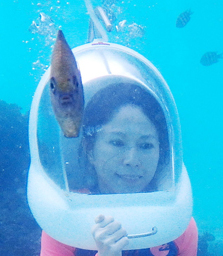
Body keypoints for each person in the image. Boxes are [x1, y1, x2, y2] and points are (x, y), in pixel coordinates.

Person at [40, 83, 198, 256]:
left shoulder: (178, 225)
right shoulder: (64, 221)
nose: (132, 160)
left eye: (146, 145)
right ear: (90, 150)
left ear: (161, 153)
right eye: (117, 142)